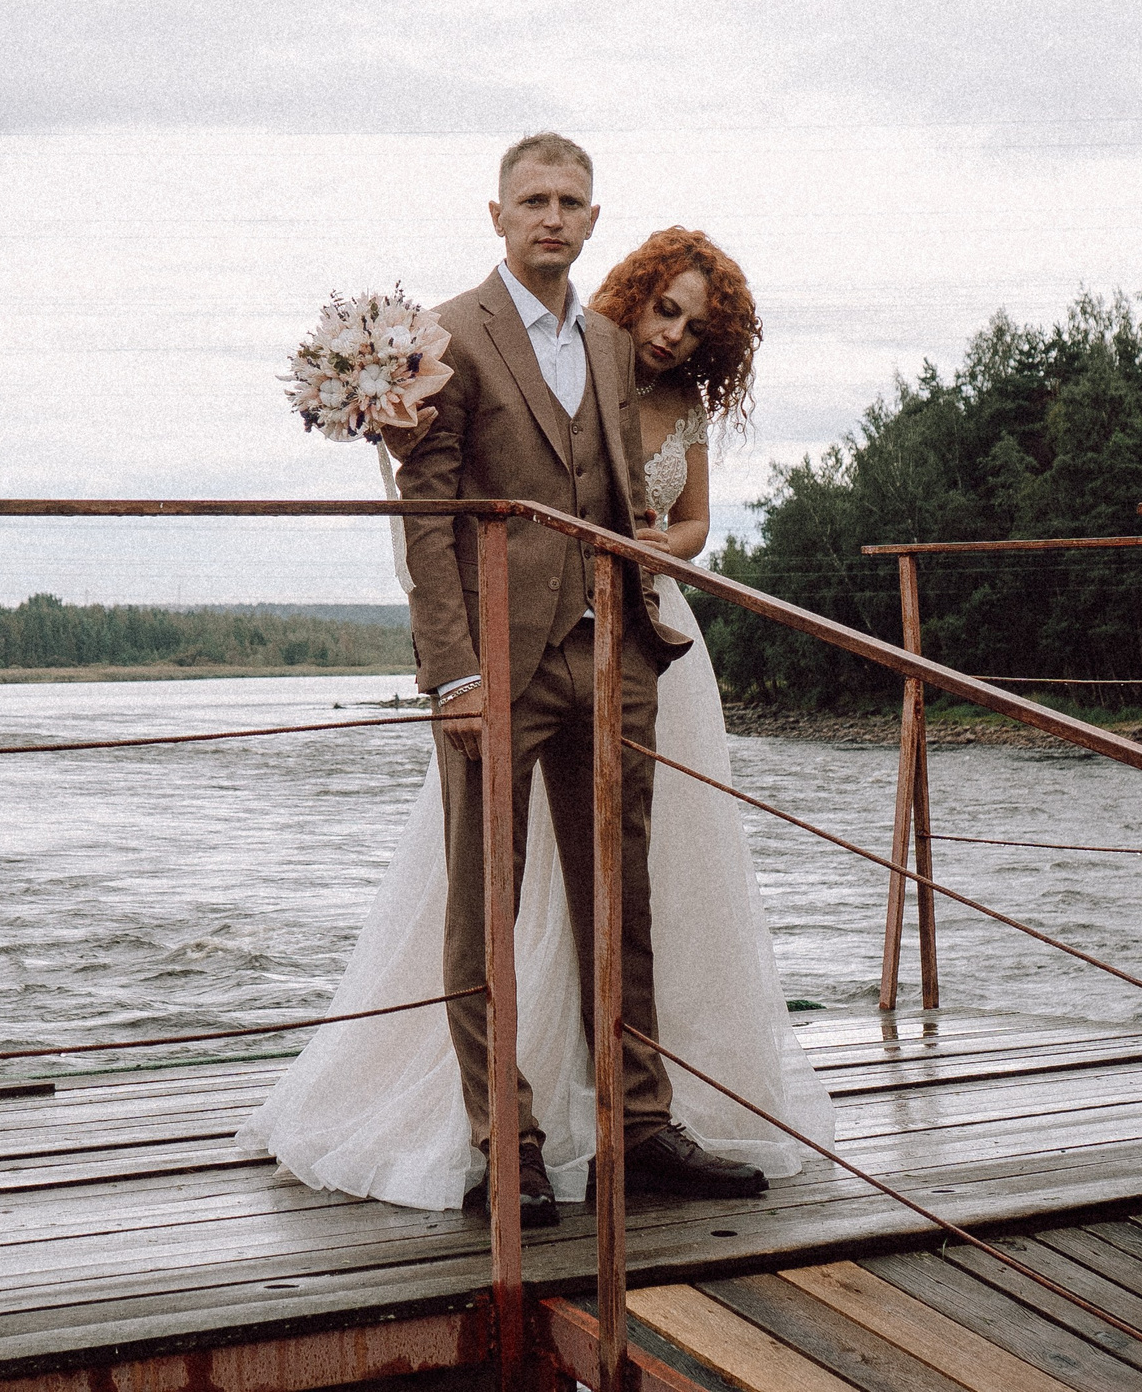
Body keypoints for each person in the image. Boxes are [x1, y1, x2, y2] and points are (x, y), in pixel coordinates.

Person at [238, 138, 834, 1225]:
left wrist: (645, 603)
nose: (549, 218)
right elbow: (427, 523)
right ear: (498, 215)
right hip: (496, 665)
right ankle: (501, 1140)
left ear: (593, 221)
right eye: (532, 202)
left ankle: (636, 1130)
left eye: (568, 203)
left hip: (612, 656)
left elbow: (618, 499)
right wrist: (452, 673)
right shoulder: (452, 337)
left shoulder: (612, 343)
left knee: (623, 898)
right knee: (486, 905)